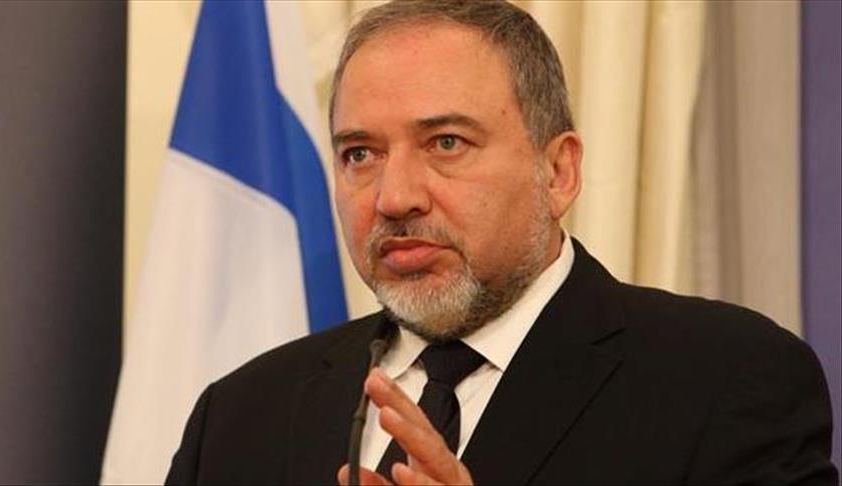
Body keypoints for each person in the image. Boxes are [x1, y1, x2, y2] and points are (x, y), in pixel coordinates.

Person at [165, 1, 838, 484]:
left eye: (446, 143)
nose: (394, 197)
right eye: (360, 153)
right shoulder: (240, 417)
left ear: (558, 171)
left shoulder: (724, 383)